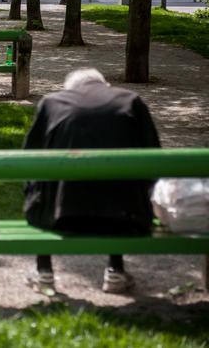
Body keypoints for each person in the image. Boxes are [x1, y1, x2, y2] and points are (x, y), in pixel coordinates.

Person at [23, 68, 160, 294]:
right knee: (117, 187)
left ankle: (43, 271)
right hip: (125, 218)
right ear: (104, 85)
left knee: (43, 187)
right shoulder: (131, 101)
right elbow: (155, 157)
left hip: (61, 217)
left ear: (71, 91)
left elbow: (29, 159)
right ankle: (115, 271)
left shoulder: (51, 103)